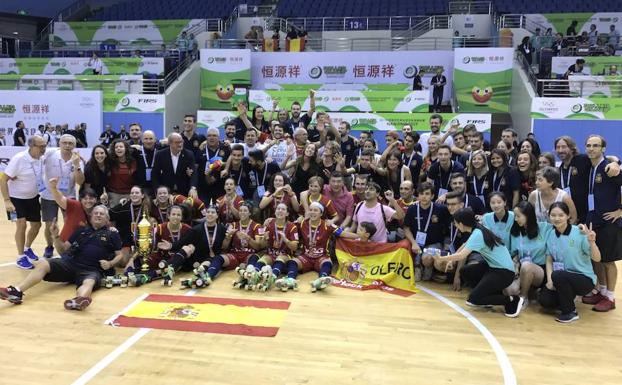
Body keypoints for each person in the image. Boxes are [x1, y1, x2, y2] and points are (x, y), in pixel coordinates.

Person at [0, 205, 123, 311]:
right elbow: (63, 249)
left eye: (101, 214)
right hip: (70, 264)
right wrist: (55, 236)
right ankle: (17, 291)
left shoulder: (112, 234)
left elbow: (120, 255)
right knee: (43, 263)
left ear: (107, 219)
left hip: (92, 270)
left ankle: (79, 300)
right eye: (95, 213)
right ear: (91, 217)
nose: (98, 215)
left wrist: (110, 263)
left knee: (88, 282)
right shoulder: (80, 231)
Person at [433, 208, 524, 317]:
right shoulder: (478, 228)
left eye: (456, 224)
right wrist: (451, 259)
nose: (456, 226)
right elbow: (466, 244)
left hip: (504, 272)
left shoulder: (477, 234)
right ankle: (487, 295)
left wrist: (442, 258)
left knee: (473, 299)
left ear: (461, 224)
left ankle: (512, 299)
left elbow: (462, 256)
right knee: (465, 271)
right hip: (492, 267)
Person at [275, 202, 359, 292]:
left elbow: (343, 234)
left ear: (321, 213)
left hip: (321, 257)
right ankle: (290, 279)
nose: (312, 212)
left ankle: (322, 280)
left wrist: (359, 236)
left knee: (327, 263)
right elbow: (286, 225)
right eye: (310, 210)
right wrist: (271, 220)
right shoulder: (302, 223)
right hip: (306, 257)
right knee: (293, 262)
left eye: (315, 210)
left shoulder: (327, 225)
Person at [539, 202, 600, 323]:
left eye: (561, 215)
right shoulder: (551, 234)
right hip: (562, 279)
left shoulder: (579, 232)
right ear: (549, 216)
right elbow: (549, 258)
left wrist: (592, 242)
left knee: (558, 275)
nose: (557, 218)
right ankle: (567, 298)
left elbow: (597, 258)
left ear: (568, 216)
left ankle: (570, 312)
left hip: (584, 279)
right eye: (553, 215)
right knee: (545, 300)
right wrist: (550, 281)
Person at [581, 135, 622, 312]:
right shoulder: (590, 167)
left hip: (609, 221)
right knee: (596, 259)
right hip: (593, 219)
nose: (591, 148)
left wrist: (621, 210)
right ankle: (602, 291)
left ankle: (611, 297)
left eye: (596, 145)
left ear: (603, 149)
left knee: (608, 261)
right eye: (589, 145)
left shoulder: (609, 167)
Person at [0, 135, 46, 269]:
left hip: (33, 197)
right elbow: (3, 179)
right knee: (21, 225)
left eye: (45, 145)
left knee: (36, 225)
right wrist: (7, 201)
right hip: (16, 199)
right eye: (41, 146)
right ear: (31, 146)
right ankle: (20, 257)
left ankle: (27, 248)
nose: (44, 148)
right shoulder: (19, 159)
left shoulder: (41, 158)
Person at [40, 134, 85, 258]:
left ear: (74, 146)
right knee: (49, 224)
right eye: (64, 142)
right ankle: (49, 246)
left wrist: (76, 166)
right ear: (59, 144)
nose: (67, 145)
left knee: (70, 222)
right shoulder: (50, 154)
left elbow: (80, 182)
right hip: (49, 195)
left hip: (68, 196)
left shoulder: (78, 159)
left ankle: (67, 246)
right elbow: (36, 160)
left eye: (70, 143)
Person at [404, 182, 450, 281]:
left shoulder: (441, 209)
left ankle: (428, 267)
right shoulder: (412, 209)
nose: (424, 197)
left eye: (427, 194)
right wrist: (413, 243)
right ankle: (417, 267)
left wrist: (446, 245)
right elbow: (406, 228)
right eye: (421, 194)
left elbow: (448, 229)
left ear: (432, 196)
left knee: (427, 259)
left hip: (434, 243)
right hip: (417, 243)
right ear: (418, 195)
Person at [509, 201, 552, 308]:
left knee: (527, 266)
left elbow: (561, 226)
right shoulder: (515, 232)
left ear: (528, 215)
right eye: (515, 216)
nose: (515, 219)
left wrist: (579, 229)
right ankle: (529, 291)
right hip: (521, 268)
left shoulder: (544, 228)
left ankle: (523, 297)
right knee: (509, 290)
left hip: (541, 270)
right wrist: (515, 264)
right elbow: (515, 254)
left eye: (518, 216)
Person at [152, 133, 198, 198]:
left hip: (184, 191)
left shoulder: (189, 154)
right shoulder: (160, 155)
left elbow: (194, 173)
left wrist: (193, 188)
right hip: (166, 192)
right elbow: (154, 174)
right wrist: (157, 191)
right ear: (170, 143)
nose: (180, 144)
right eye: (177, 142)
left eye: (181, 142)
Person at [106, 139, 137, 208]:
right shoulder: (110, 161)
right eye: (116, 147)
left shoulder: (133, 161)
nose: (118, 149)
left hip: (129, 194)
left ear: (126, 149)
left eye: (121, 147)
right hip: (114, 194)